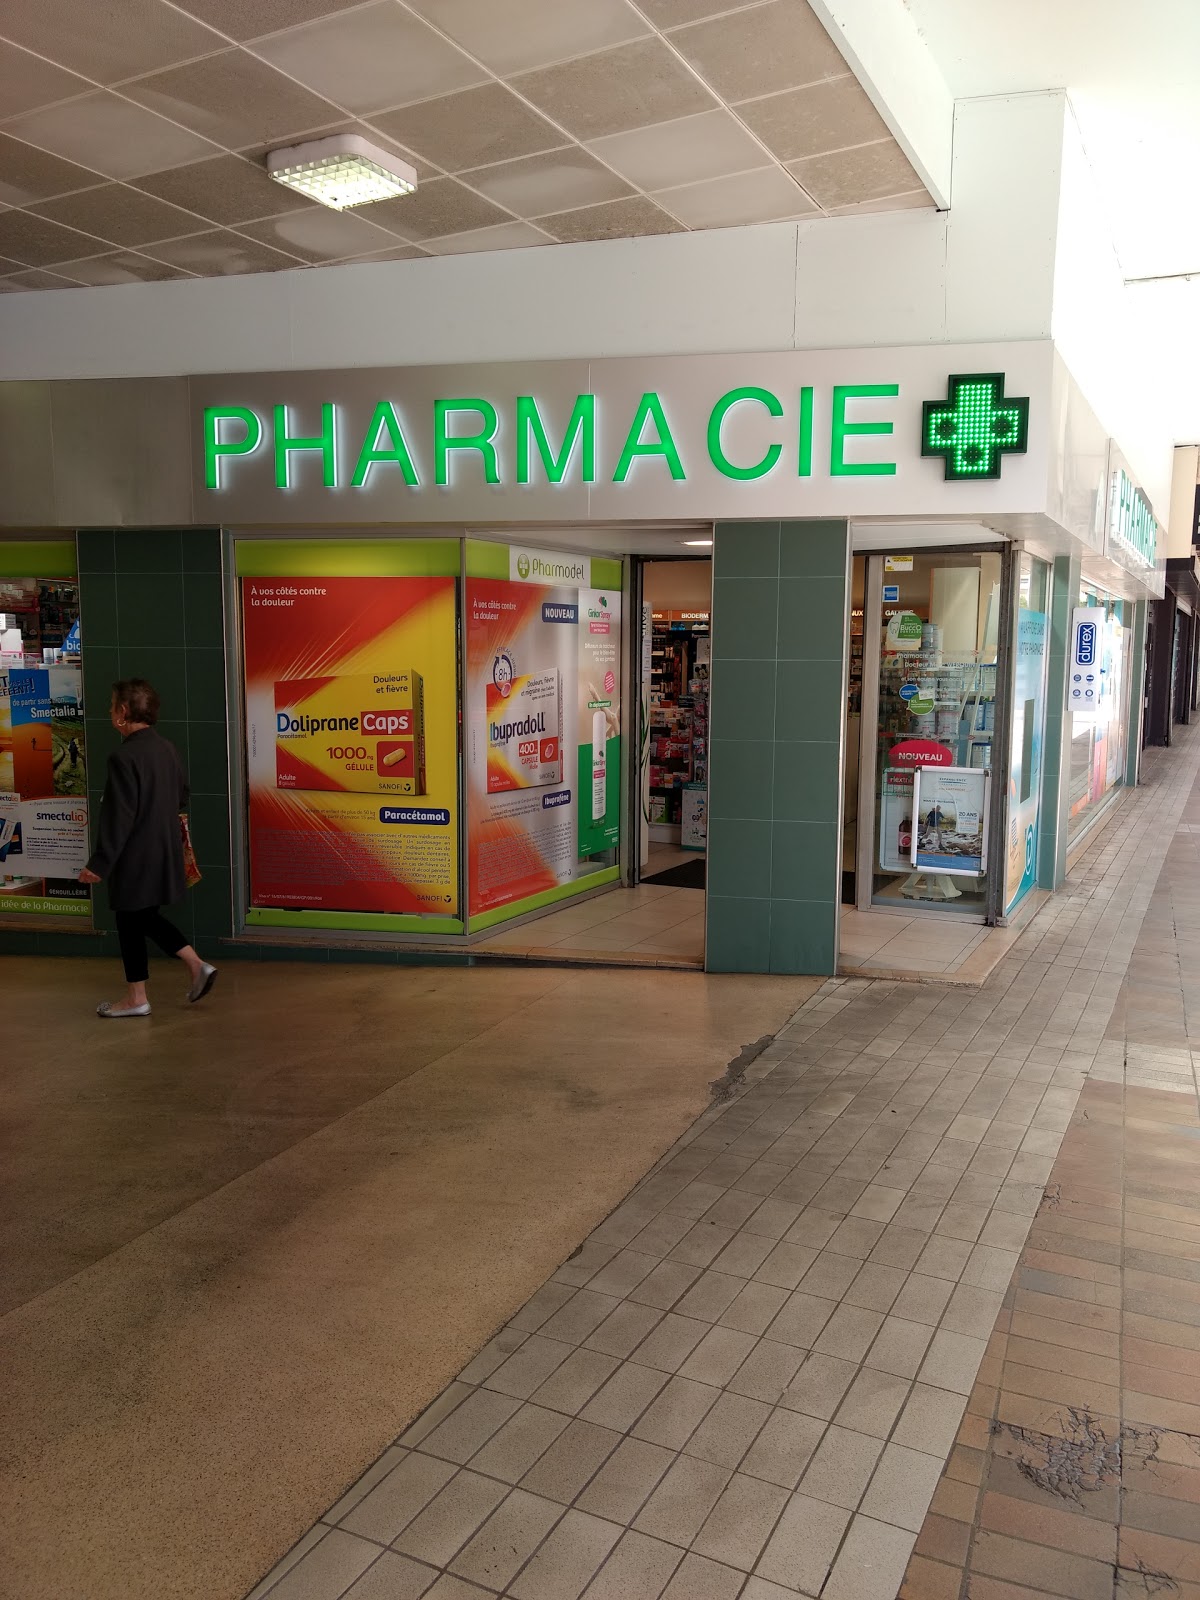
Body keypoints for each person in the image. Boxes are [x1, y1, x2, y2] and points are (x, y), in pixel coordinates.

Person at [78, 679, 216, 1018]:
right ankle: (179, 974)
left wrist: (100, 862)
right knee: (139, 918)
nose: (110, 712)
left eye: (112, 706)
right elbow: (182, 796)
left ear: (123, 712)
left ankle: (147, 992)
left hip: (134, 854)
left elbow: (119, 817)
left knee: (132, 918)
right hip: (164, 848)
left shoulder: (123, 757)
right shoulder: (166, 748)